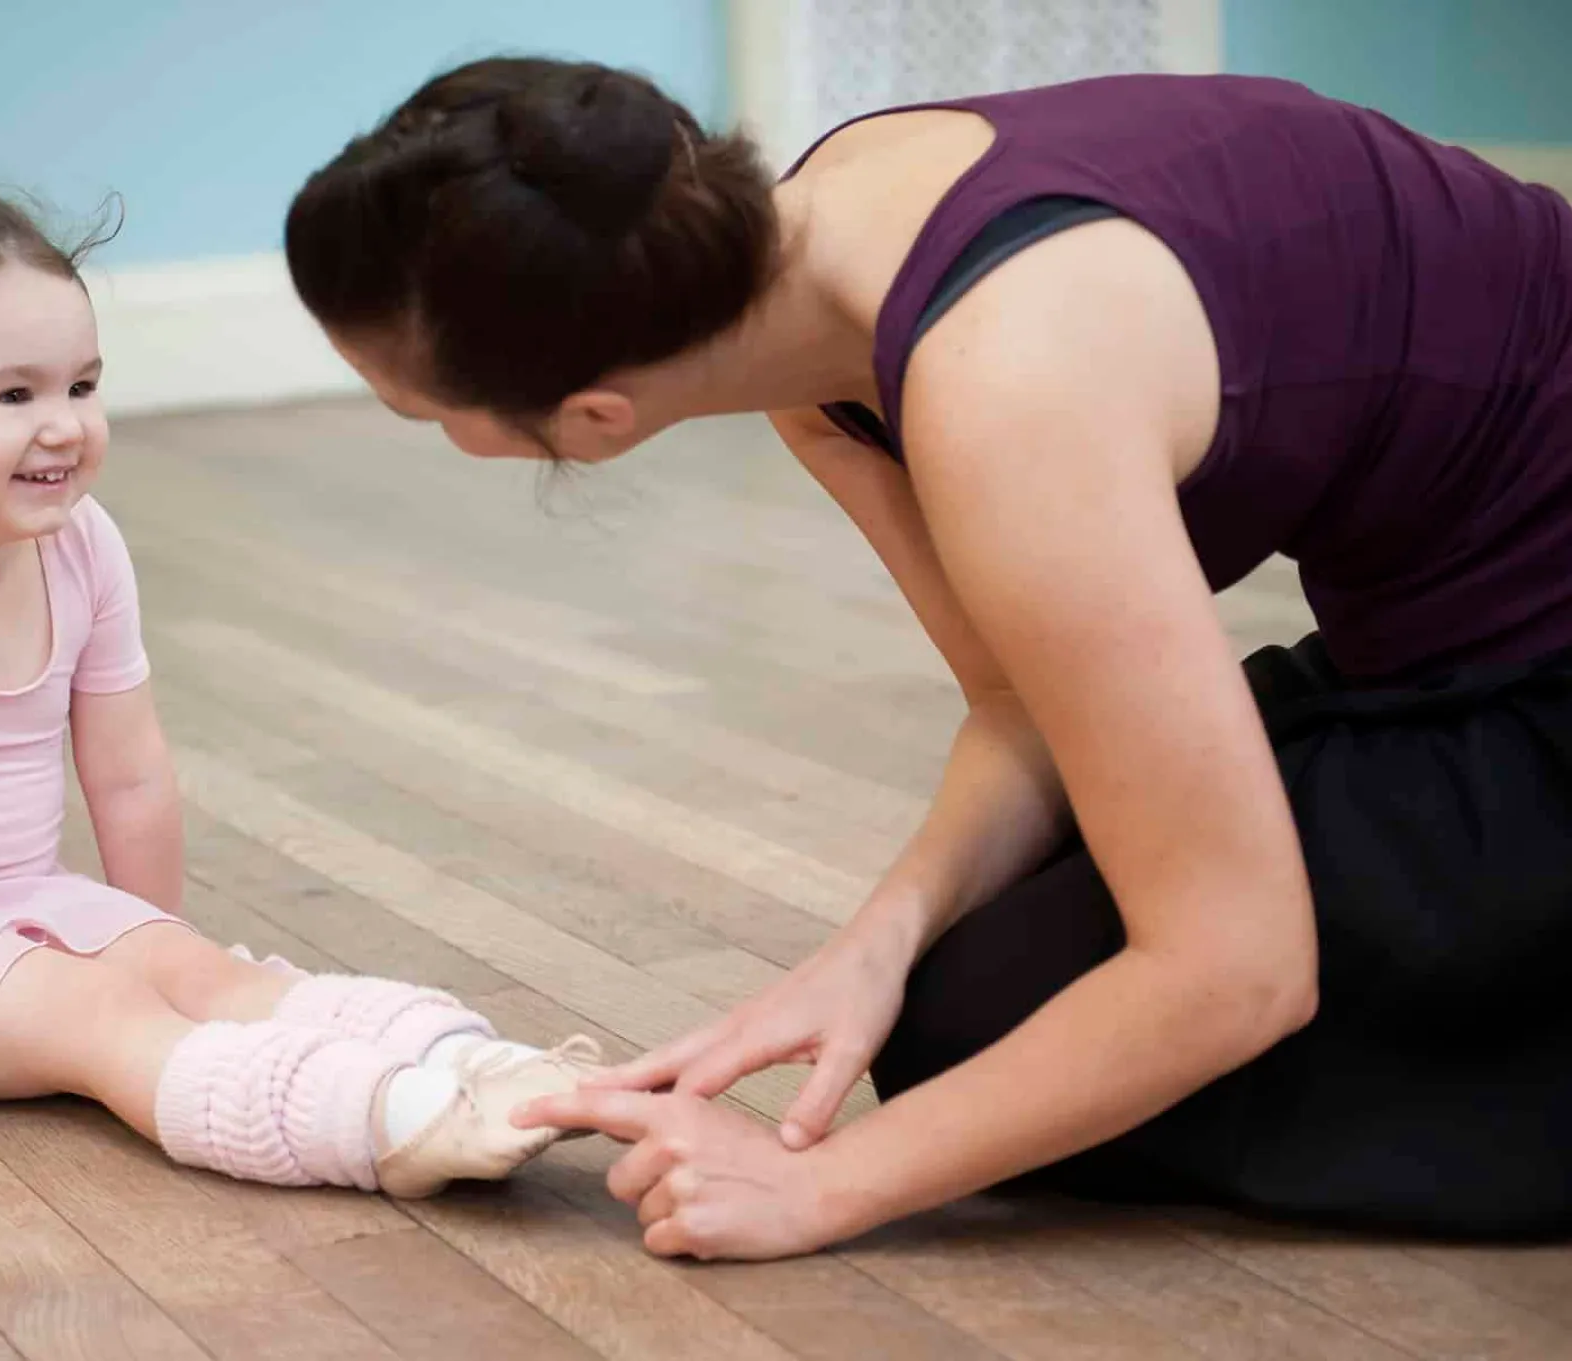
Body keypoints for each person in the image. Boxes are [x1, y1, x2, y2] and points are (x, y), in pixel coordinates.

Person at [281, 58, 1572, 1259]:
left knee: (1008, 1036)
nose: (425, 430)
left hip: (1533, 674)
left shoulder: (1004, 384)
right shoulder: (798, 271)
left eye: (421, 411)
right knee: (956, 998)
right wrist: (873, 945)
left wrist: (825, 1183)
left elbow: (1241, 967)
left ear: (595, 421)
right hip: (1443, 632)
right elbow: (1025, 701)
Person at [0, 148, 599, 1197]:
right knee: (102, 1017)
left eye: (82, 384)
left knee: (204, 975)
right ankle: (384, 1122)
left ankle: (479, 1064)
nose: (63, 424)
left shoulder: (81, 545)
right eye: (11, 393)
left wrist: (149, 940)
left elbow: (128, 774)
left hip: (30, 902)